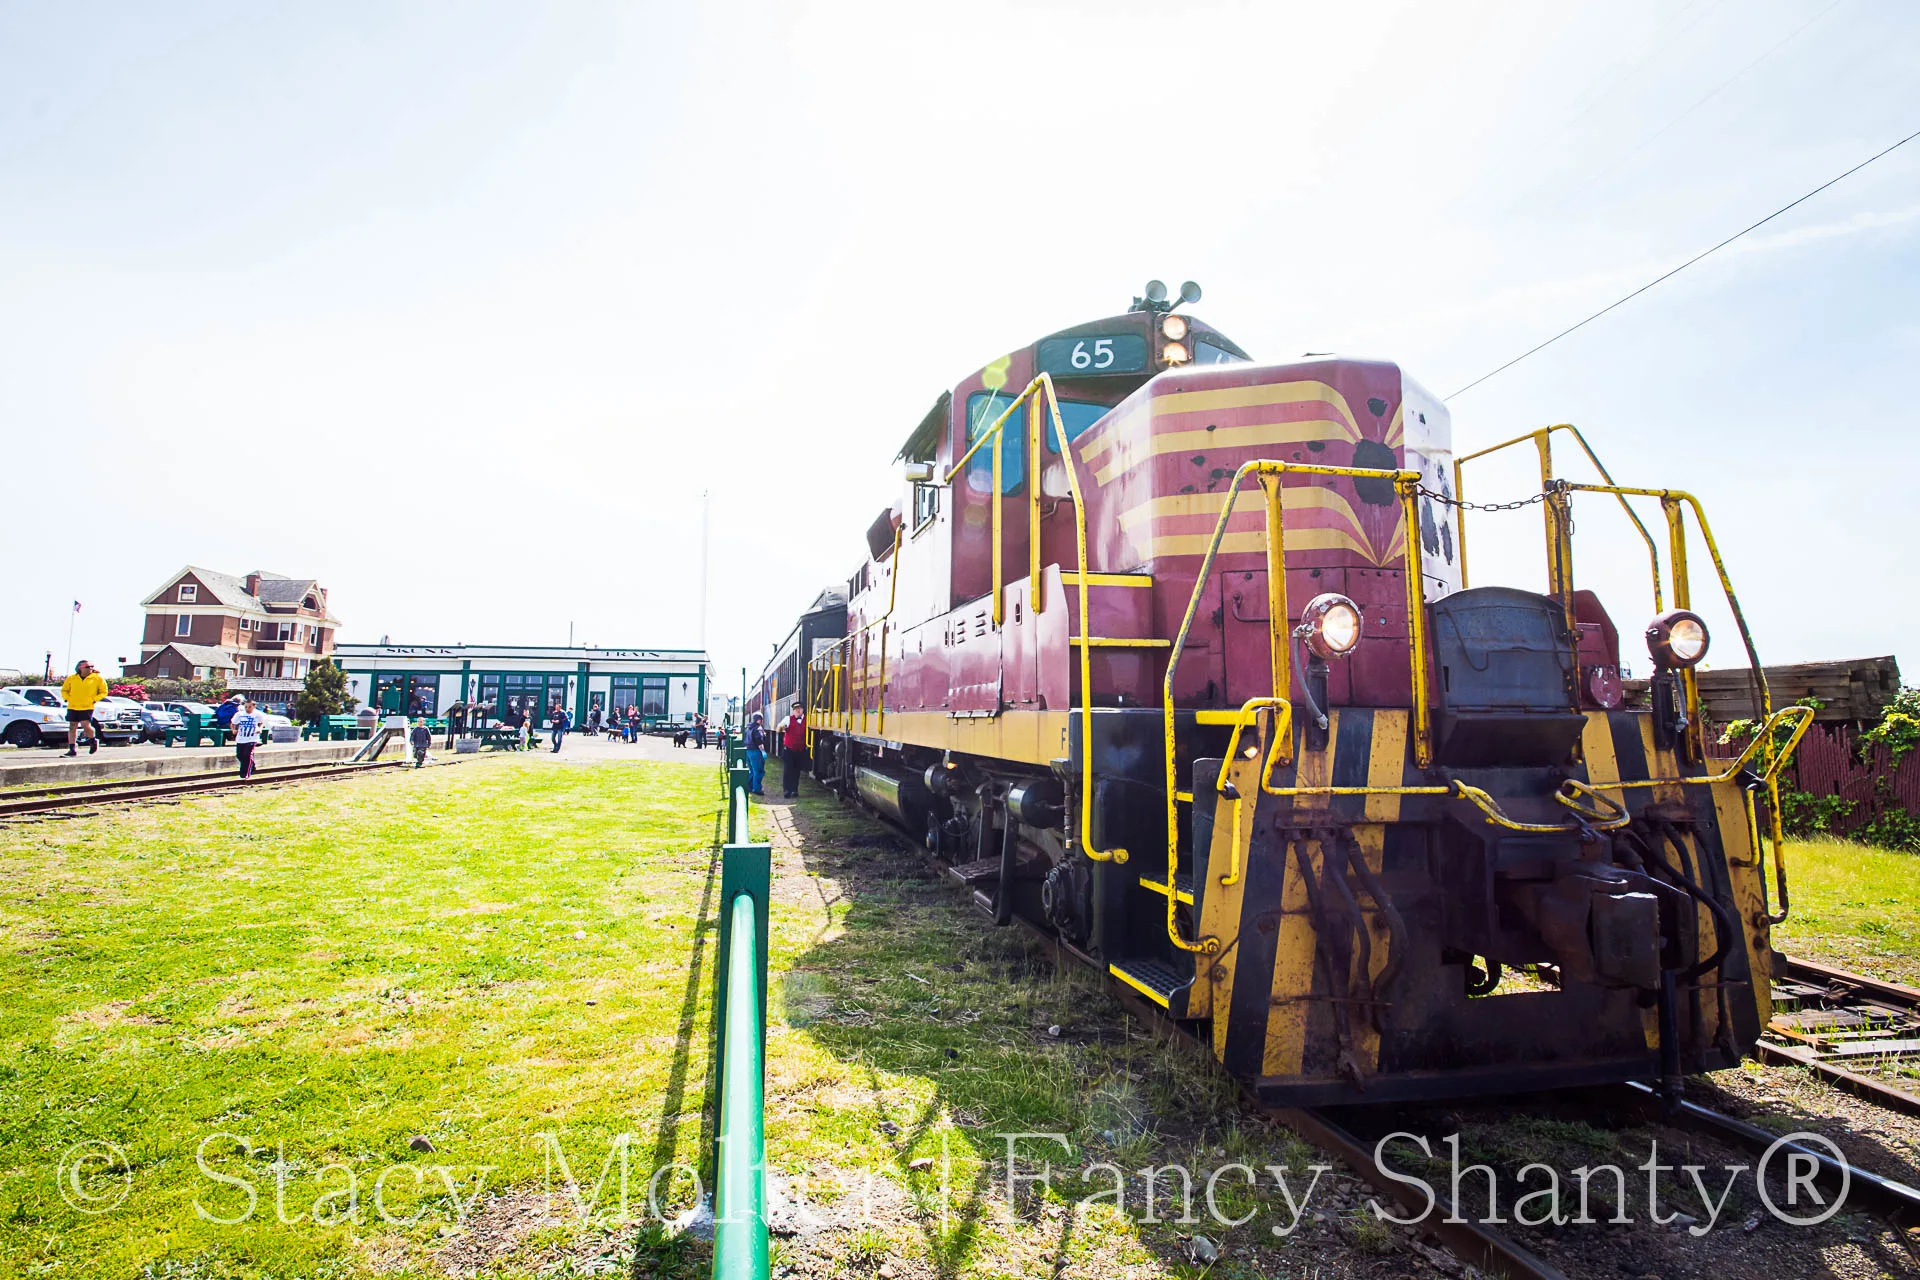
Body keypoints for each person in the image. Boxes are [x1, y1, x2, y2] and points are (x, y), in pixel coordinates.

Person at [59, 659, 109, 757]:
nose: (90, 668)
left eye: (92, 666)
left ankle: (93, 740)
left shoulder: (97, 678)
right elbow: (64, 690)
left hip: (87, 706)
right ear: (80, 667)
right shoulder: (72, 678)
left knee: (86, 725)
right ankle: (72, 749)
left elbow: (104, 692)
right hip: (73, 706)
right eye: (87, 667)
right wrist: (67, 698)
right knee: (72, 726)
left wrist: (94, 699)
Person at [231, 697, 265, 779]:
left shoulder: (258, 714)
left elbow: (261, 723)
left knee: (247, 755)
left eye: (249, 707)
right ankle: (252, 765)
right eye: (246, 707)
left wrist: (259, 729)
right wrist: (233, 730)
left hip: (252, 738)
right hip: (241, 738)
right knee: (239, 755)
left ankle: (245, 774)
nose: (247, 709)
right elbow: (233, 723)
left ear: (254, 706)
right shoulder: (240, 714)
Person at [780, 704, 807, 798]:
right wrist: (781, 727)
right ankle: (787, 790)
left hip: (800, 750)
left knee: (797, 770)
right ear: (793, 711)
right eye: (796, 709)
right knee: (788, 770)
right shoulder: (788, 719)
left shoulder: (807, 720)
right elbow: (778, 729)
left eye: (799, 709)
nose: (798, 711)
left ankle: (794, 790)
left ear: (802, 710)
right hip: (789, 749)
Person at [744, 712, 768, 796]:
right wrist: (763, 751)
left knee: (752, 771)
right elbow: (759, 741)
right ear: (759, 719)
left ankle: (749, 786)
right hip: (756, 751)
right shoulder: (758, 729)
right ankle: (757, 789)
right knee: (759, 771)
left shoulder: (748, 728)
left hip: (748, 751)